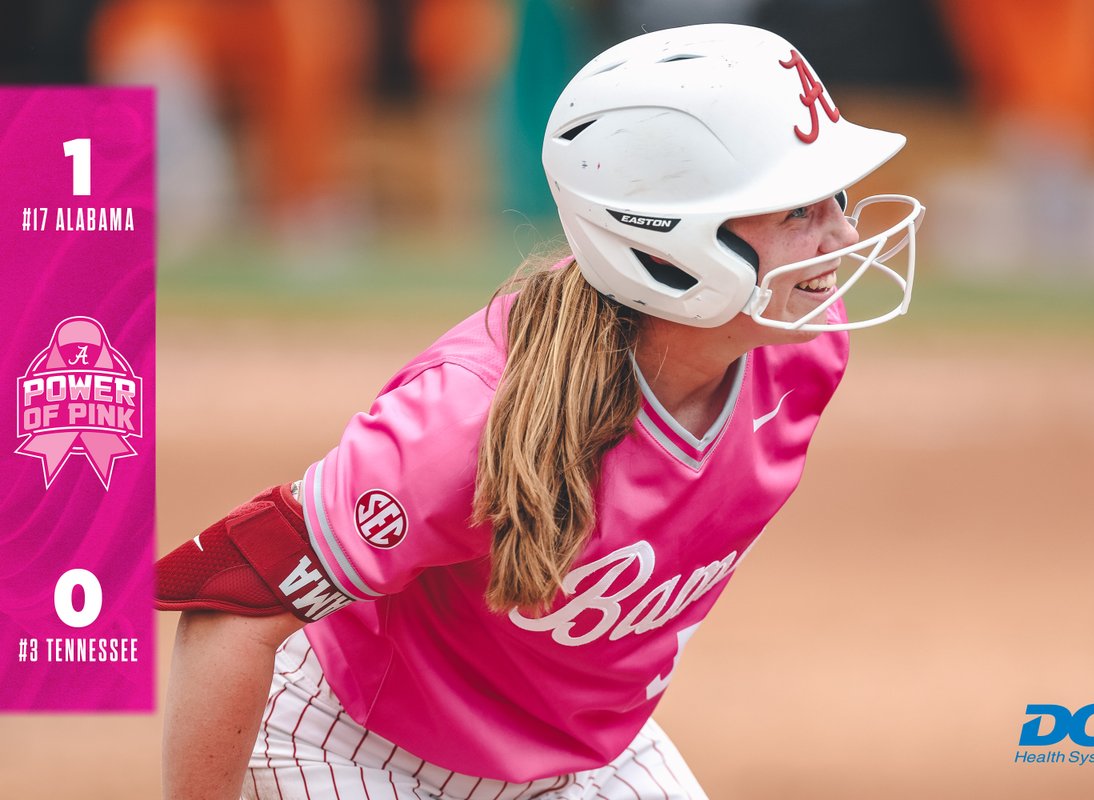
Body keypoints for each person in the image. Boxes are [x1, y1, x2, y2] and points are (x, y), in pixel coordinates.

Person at [155, 23, 924, 800]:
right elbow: (233, 607)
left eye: (838, 197)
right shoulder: (465, 417)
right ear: (673, 244)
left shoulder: (806, 348)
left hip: (582, 756)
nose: (846, 235)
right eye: (797, 212)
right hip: (354, 746)